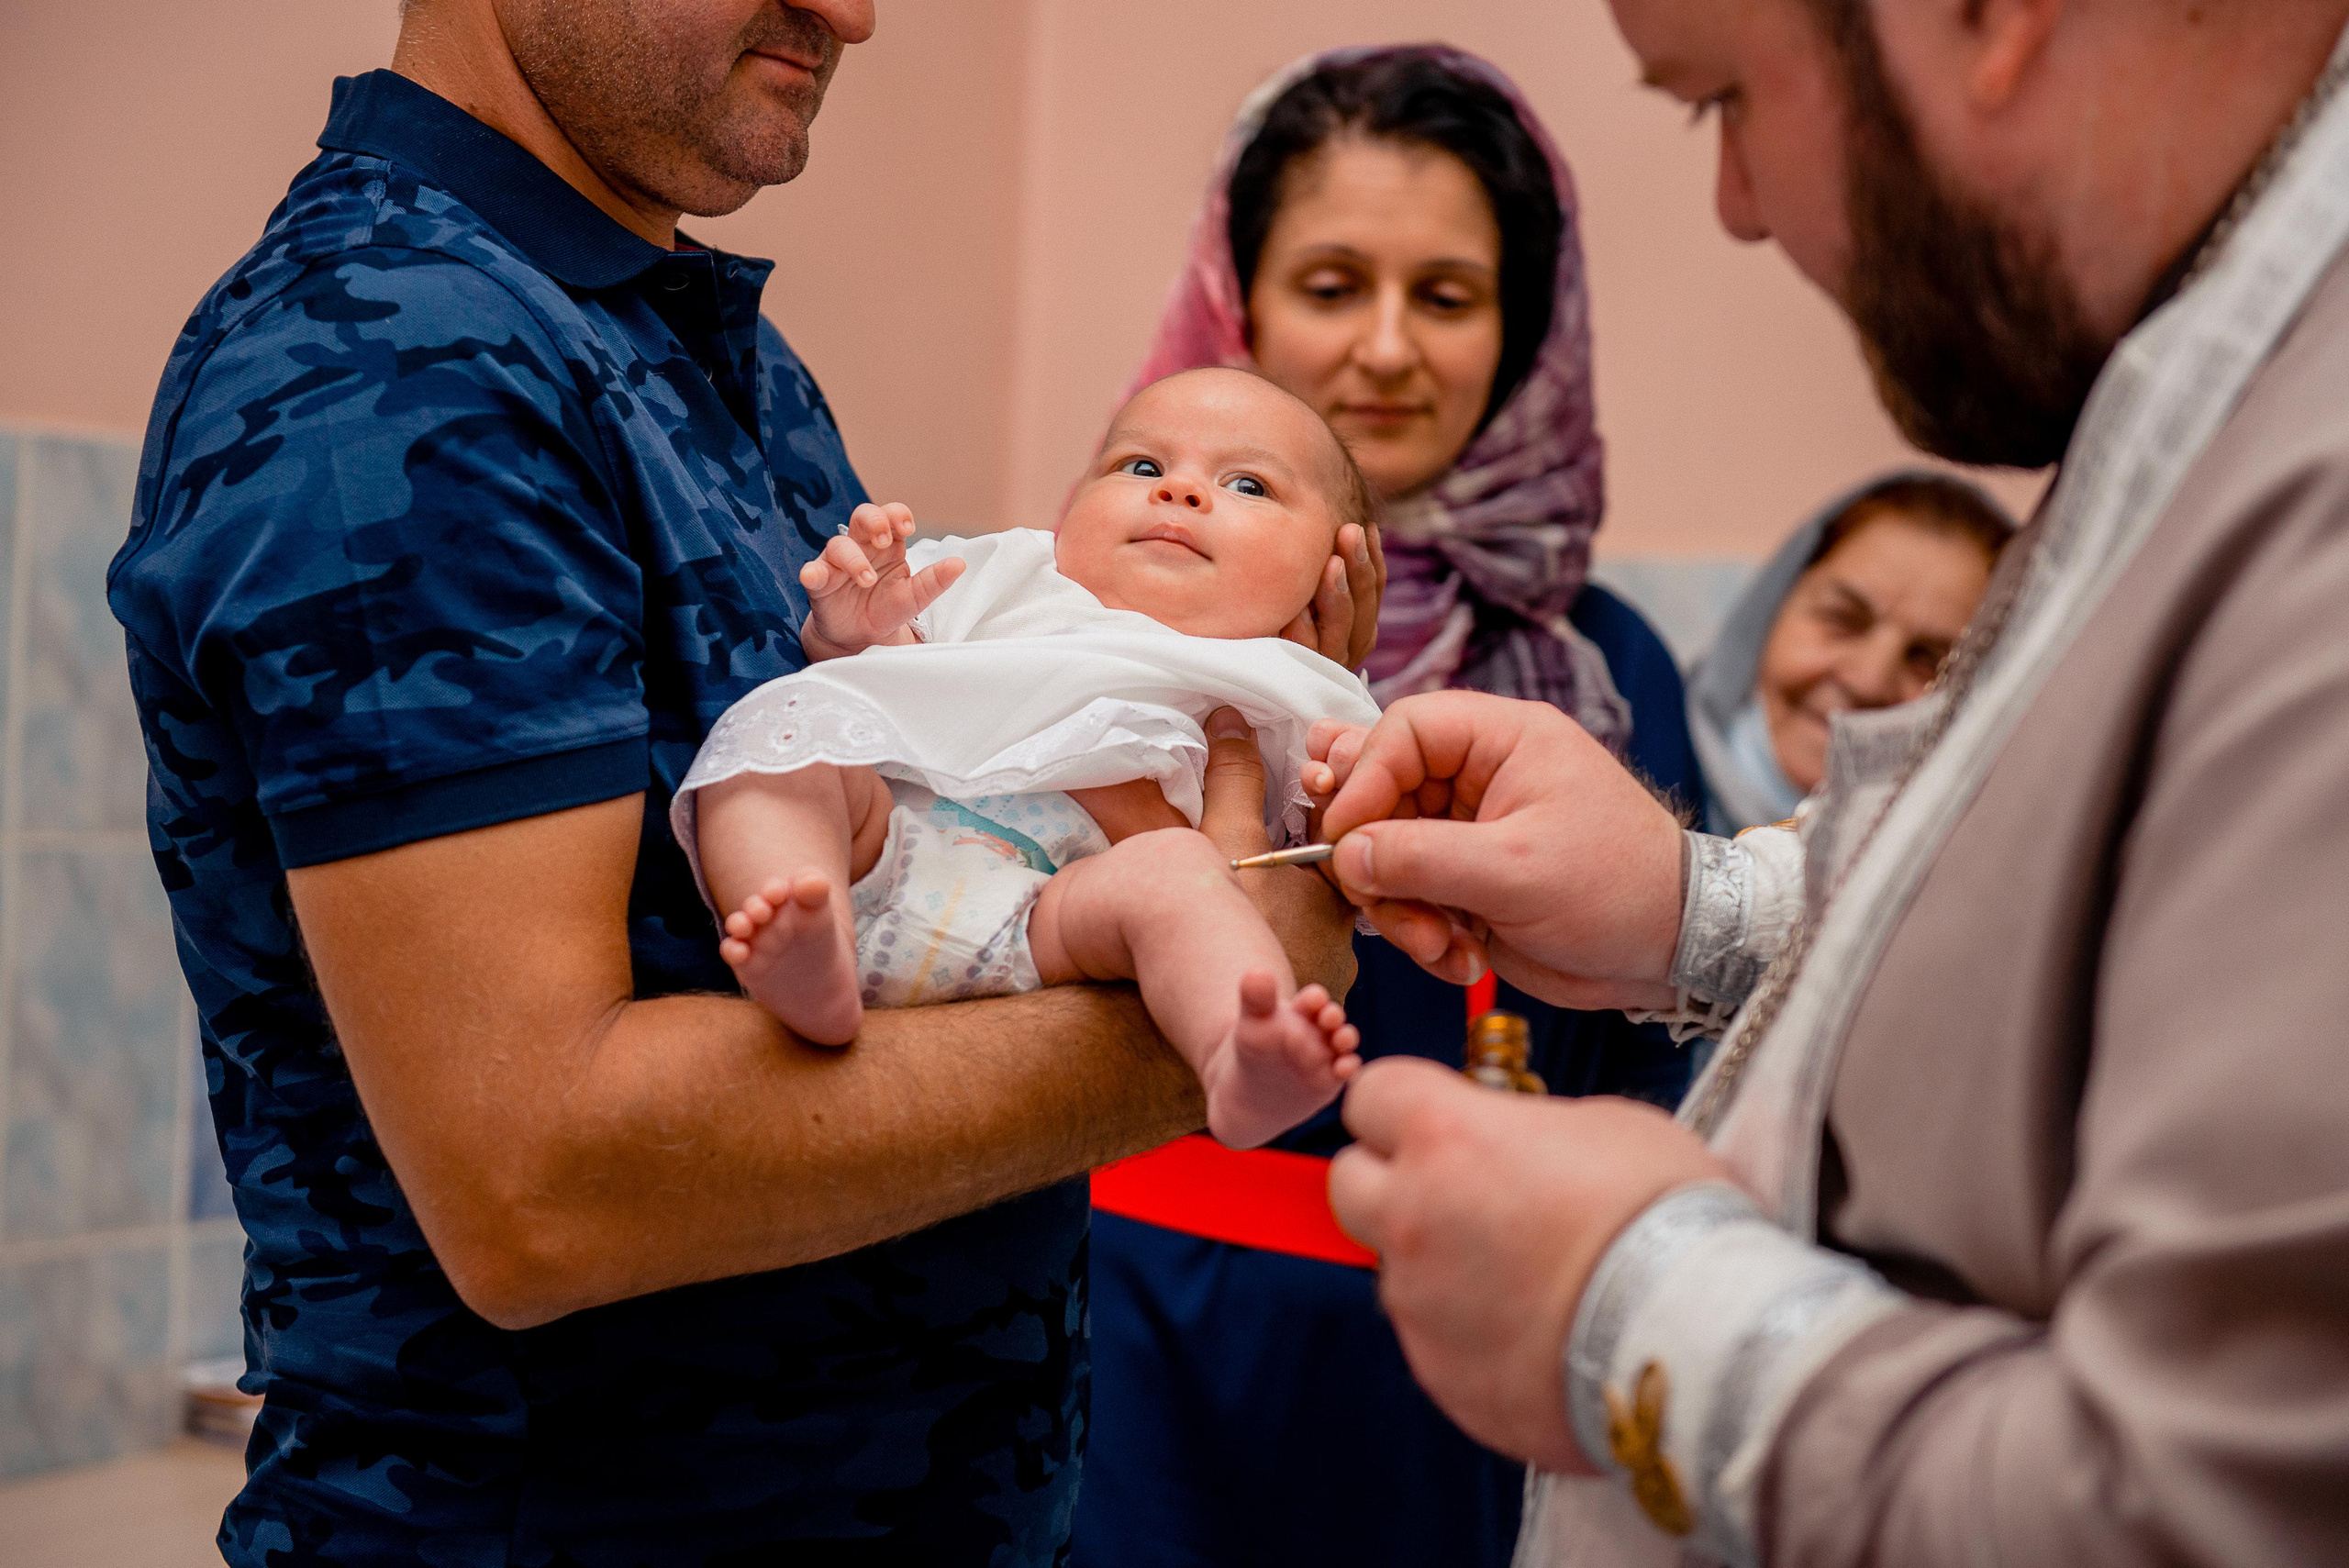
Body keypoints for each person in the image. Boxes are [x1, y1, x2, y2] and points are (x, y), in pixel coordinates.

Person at [104, 4, 1379, 1562]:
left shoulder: (695, 350)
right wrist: (1230, 977)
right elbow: (544, 1184)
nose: (849, 9)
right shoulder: (389, 367)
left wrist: (1243, 737)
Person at [1309, 0, 2349, 1563]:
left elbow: (2216, 1509)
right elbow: (2107, 898)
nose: (1737, 206)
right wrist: (1697, 904)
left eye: (1721, 98)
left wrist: (1626, 1300)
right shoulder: (2225, 353)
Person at [1072, 47, 1700, 1568]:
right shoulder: (1090, 628)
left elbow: (1655, 1056)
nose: (1386, 350)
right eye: (1333, 283)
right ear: (1243, 301)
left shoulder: (1610, 669)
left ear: (1524, 329)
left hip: (1437, 1374)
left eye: (1448, 295)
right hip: (1112, 1336)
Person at [680, 368, 1378, 1145]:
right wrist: (856, 629)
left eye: (1248, 484)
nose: (1178, 491)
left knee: (1180, 879)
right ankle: (807, 940)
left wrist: (1341, 793)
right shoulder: (1008, 573)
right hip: (884, 846)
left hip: (1059, 917)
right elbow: (893, 672)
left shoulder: (1287, 678)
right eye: (1141, 467)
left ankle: (1235, 1056)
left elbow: (1332, 833)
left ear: (1331, 572)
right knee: (778, 736)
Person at [1687, 472, 2013, 834]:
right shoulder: (1634, 757)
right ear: (1773, 604)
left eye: (1931, 661)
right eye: (1842, 619)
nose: (1868, 681)